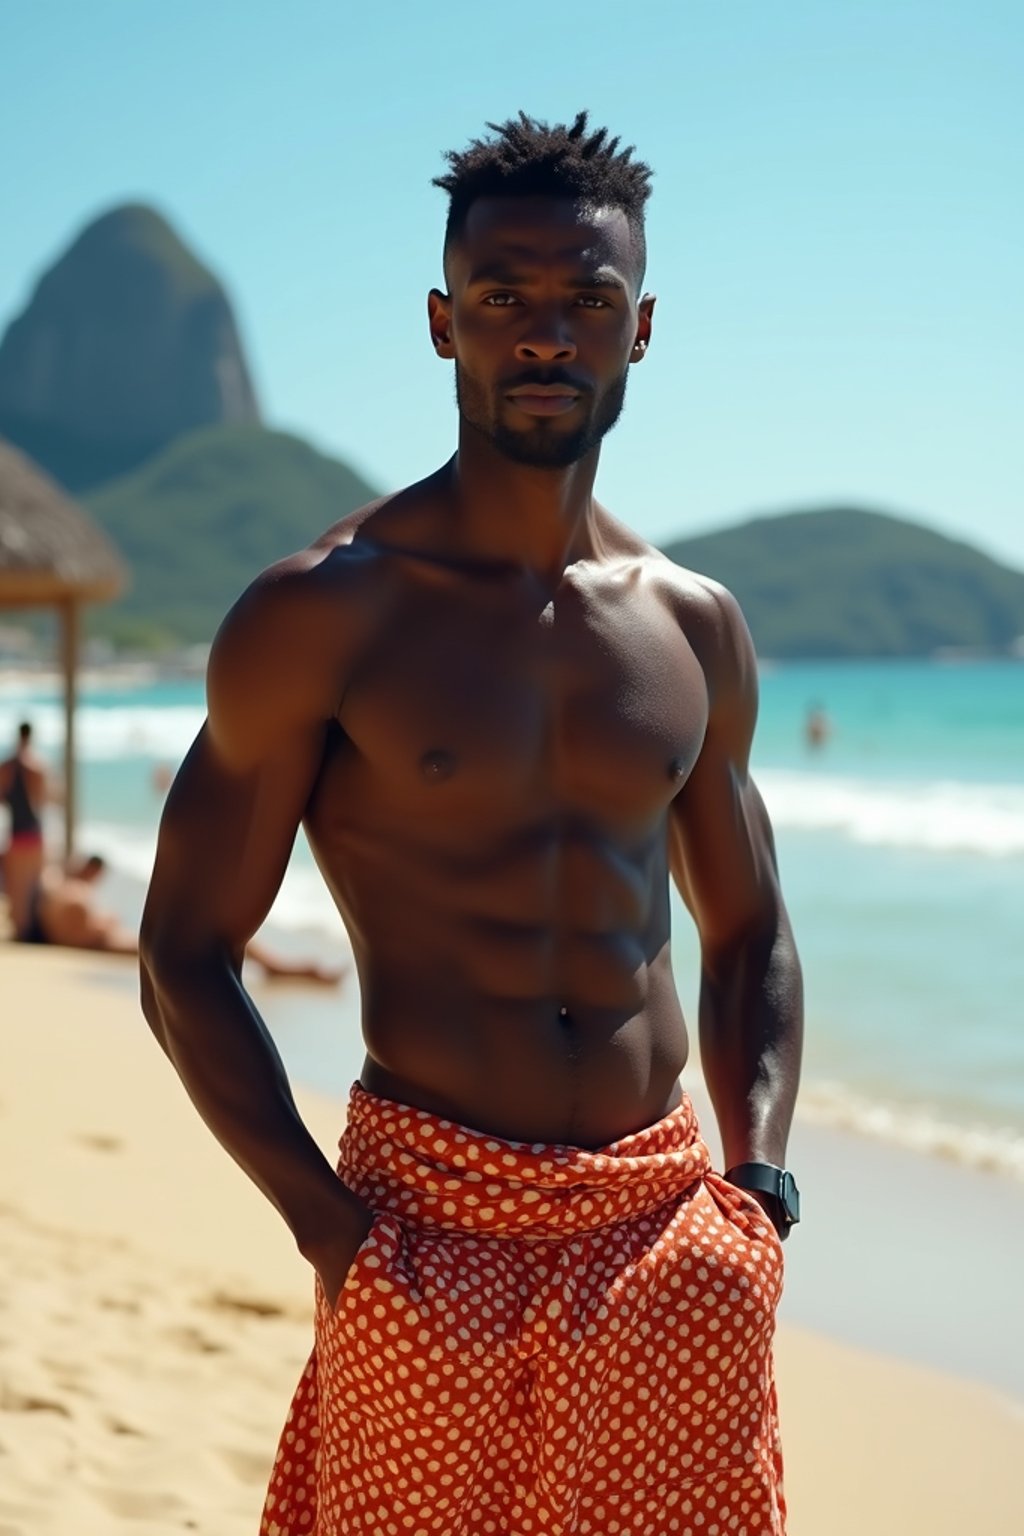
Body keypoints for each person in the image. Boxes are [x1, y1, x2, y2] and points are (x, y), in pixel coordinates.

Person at [140, 111, 803, 1536]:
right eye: (505, 299)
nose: (545, 335)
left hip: (663, 1227)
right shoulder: (322, 614)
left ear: (643, 328)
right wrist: (330, 1228)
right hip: (422, 1228)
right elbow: (183, 948)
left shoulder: (695, 630)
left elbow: (748, 928)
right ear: (444, 324)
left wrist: (756, 1192)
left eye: (587, 300)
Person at [23, 852, 343, 984]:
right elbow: (80, 936)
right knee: (216, 939)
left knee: (216, 939)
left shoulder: (63, 890)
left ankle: (280, 967)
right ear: (91, 871)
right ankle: (281, 967)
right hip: (120, 945)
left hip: (121, 942)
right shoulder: (76, 896)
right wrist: (106, 922)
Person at [0, 720, 48, 939]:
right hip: (35, 833)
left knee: (17, 888)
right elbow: (42, 802)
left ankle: (22, 930)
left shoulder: (8, 766)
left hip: (17, 833)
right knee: (33, 885)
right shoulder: (37, 765)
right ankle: (28, 930)